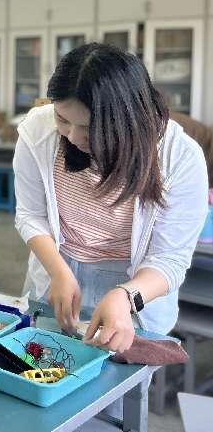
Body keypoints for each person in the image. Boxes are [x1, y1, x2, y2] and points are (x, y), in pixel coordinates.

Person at [14, 43, 207, 356]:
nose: (72, 136)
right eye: (63, 119)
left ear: (129, 119)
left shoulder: (179, 156)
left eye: (89, 128)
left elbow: (170, 259)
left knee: (115, 382)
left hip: (135, 285)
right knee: (39, 366)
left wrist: (126, 296)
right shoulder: (38, 131)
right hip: (58, 273)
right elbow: (30, 214)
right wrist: (58, 271)